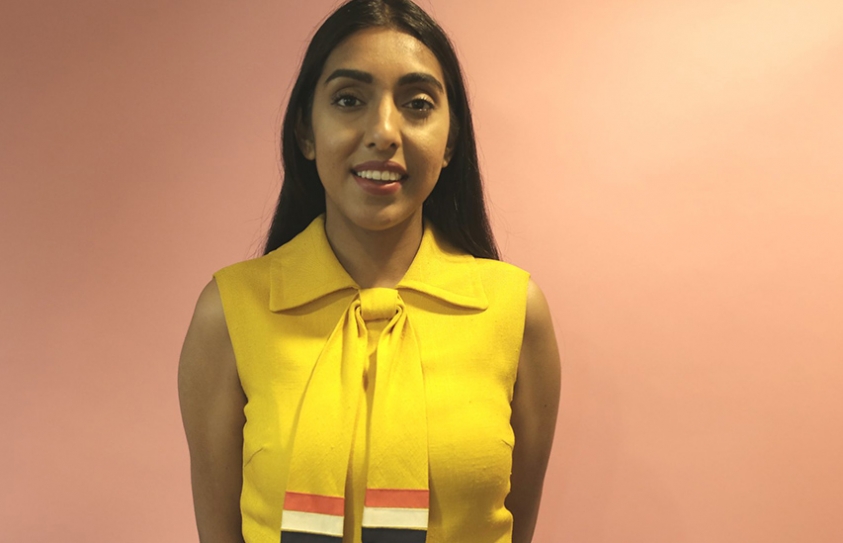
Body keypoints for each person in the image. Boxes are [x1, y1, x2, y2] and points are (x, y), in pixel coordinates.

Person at [177, 0, 561, 542]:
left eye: (418, 104)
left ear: (451, 141)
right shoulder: (230, 313)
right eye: (349, 100)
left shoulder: (515, 313)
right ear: (305, 132)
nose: (384, 132)